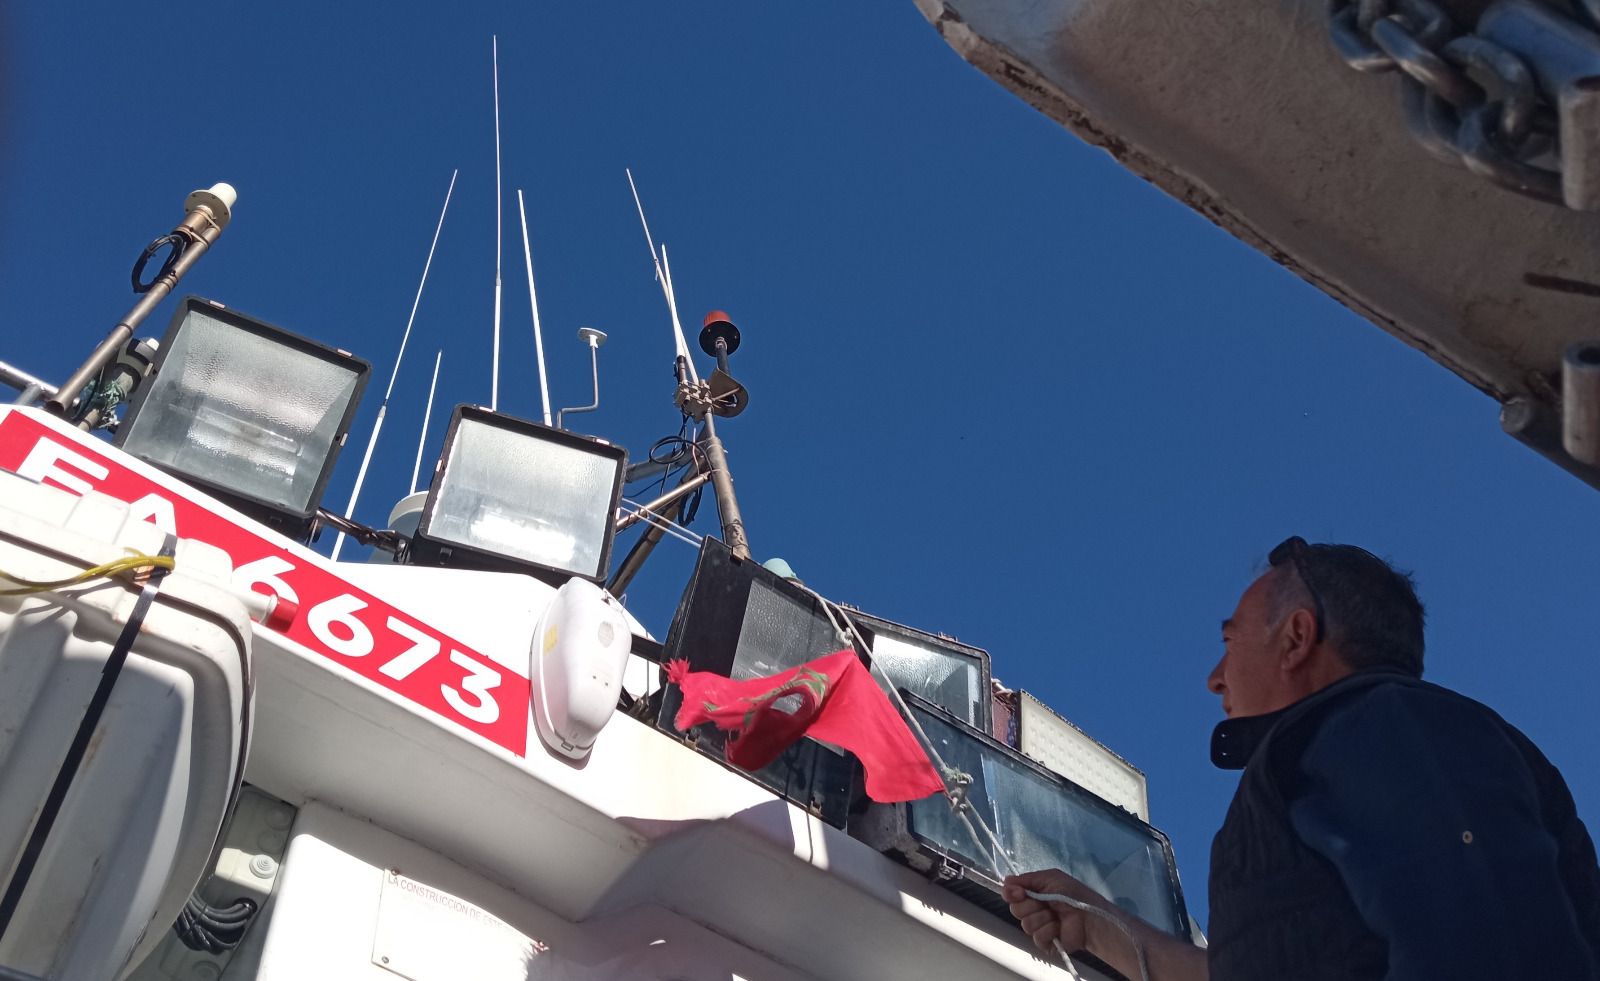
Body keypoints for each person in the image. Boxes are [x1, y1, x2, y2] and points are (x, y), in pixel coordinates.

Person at [1004, 537, 1600, 980]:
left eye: (1230, 640)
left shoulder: (1386, 726)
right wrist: (1105, 930)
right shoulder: (1352, 746)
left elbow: (1488, 937)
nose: (1215, 679)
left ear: (1295, 637)